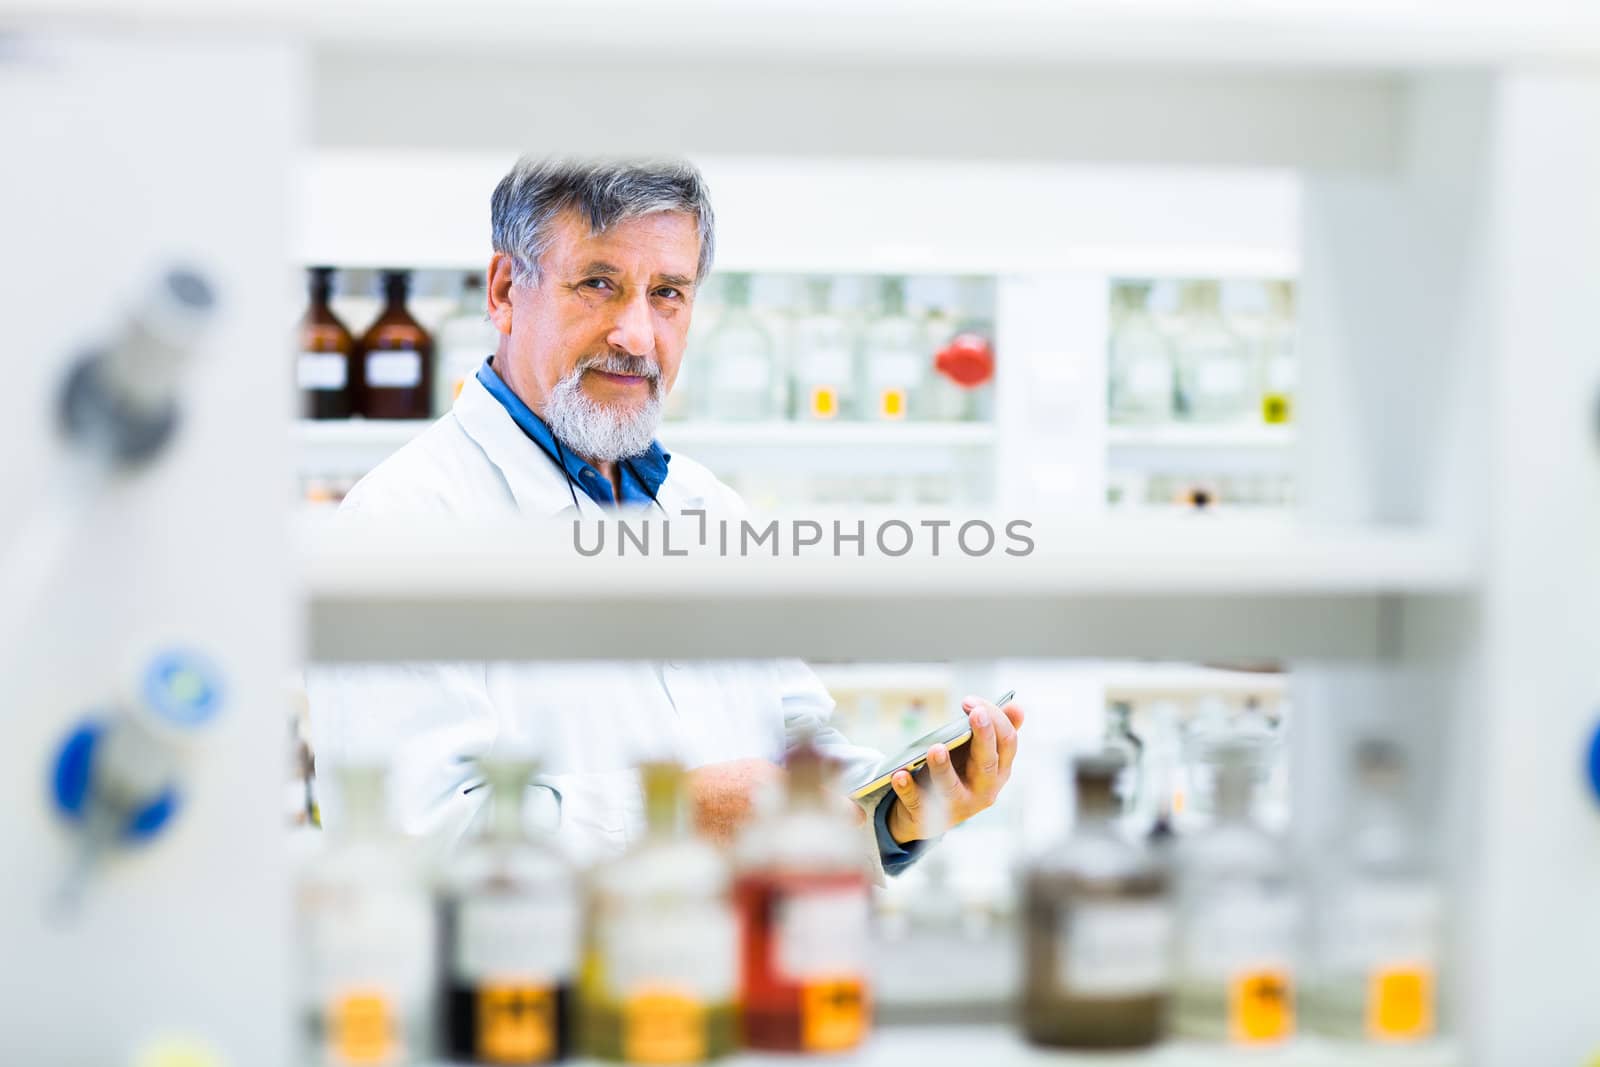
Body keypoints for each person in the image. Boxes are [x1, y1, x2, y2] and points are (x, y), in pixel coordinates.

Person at [307, 157, 1024, 874]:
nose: (637, 335)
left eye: (669, 293)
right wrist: (673, 810)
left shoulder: (706, 507)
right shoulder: (404, 524)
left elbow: (792, 740)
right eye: (598, 284)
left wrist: (899, 804)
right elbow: (408, 839)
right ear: (504, 290)